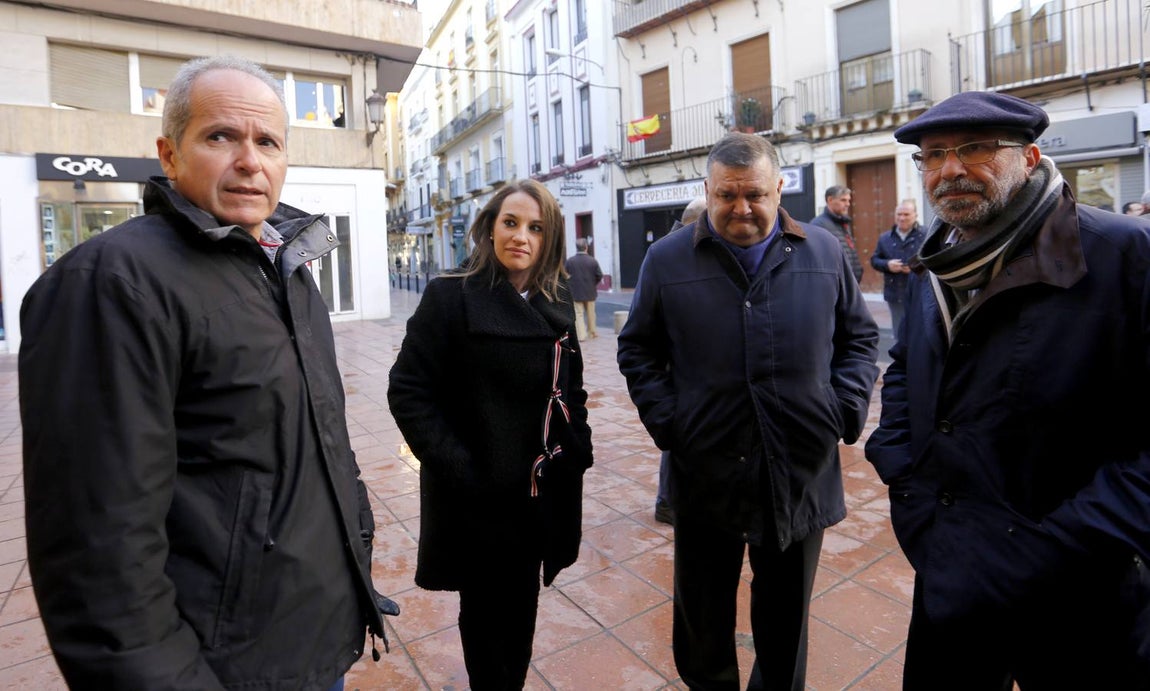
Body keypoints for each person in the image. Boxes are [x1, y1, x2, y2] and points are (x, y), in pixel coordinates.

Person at [19, 55, 397, 689]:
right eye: (221, 136)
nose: (250, 160)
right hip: (221, 665)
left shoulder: (284, 267)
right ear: (169, 155)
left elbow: (311, 437)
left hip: (304, 637)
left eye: (268, 141)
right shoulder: (112, 284)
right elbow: (97, 551)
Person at [865, 90, 1150, 689]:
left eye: (975, 149)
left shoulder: (1122, 255)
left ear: (1030, 156)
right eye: (934, 155)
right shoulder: (940, 261)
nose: (950, 169)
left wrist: (1054, 546)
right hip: (949, 566)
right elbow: (905, 366)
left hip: (1078, 591)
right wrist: (902, 479)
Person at [618, 132, 880, 690]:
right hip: (705, 470)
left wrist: (843, 408)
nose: (741, 209)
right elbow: (637, 348)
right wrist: (671, 423)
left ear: (779, 188)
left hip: (799, 470)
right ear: (706, 191)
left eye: (755, 195)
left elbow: (859, 339)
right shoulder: (667, 259)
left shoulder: (825, 252)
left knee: (785, 623)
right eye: (727, 195)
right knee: (703, 619)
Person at [388, 179, 593, 690]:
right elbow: (408, 392)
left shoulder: (556, 297)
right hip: (478, 498)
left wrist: (578, 448)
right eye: (510, 222)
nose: (521, 236)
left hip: (539, 492)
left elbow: (572, 387)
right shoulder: (450, 296)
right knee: (483, 622)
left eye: (536, 228)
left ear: (550, 240)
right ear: (490, 228)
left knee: (521, 613)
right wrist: (460, 468)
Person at [651, 195, 708, 526]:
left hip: (685, 367)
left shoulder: (683, 247)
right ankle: (667, 501)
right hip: (678, 368)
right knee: (676, 441)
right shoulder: (671, 254)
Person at [870, 199, 926, 336]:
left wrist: (916, 268)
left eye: (906, 214)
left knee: (921, 333)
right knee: (900, 333)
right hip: (895, 294)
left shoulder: (926, 235)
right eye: (899, 214)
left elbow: (936, 260)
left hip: (920, 293)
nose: (902, 218)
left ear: (915, 215)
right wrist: (887, 265)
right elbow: (874, 260)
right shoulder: (885, 238)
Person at [810, 185, 864, 283]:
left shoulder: (843, 223)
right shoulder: (818, 225)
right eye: (843, 200)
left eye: (849, 200)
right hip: (835, 285)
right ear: (830, 200)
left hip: (849, 284)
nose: (848, 204)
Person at [565, 237, 603, 340]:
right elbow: (599, 275)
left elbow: (565, 275)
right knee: (591, 314)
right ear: (586, 247)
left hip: (576, 292)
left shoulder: (570, 261)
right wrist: (593, 283)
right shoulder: (593, 261)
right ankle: (592, 332)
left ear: (576, 248)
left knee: (578, 314)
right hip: (590, 291)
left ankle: (581, 335)